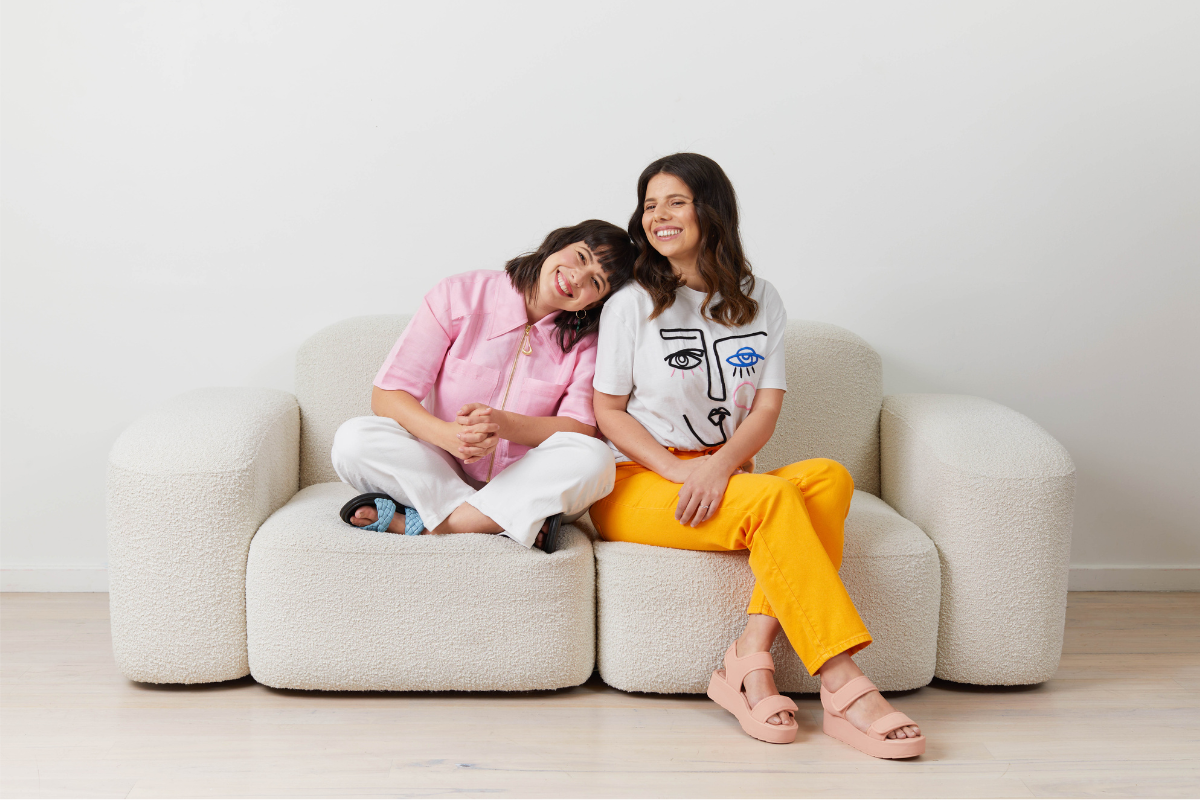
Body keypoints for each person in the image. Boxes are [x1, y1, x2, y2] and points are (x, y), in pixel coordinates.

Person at [590, 154, 926, 758]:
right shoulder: (632, 303)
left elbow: (766, 409)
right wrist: (679, 469)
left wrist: (719, 464)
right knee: (771, 496)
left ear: (710, 209)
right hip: (638, 479)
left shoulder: (759, 298)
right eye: (649, 204)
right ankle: (842, 678)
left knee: (827, 477)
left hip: (722, 470)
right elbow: (607, 410)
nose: (659, 216)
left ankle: (748, 659)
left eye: (676, 201)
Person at [332, 219, 635, 553]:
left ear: (593, 303)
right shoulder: (459, 295)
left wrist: (502, 424)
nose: (577, 276)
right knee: (353, 440)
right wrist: (445, 434)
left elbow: (577, 428)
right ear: (558, 243)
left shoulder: (589, 342)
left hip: (528, 480)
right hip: (437, 466)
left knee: (595, 459)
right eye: (580, 257)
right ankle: (503, 520)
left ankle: (433, 525)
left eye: (595, 281)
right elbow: (388, 394)